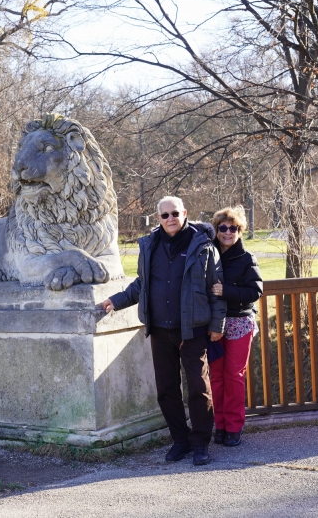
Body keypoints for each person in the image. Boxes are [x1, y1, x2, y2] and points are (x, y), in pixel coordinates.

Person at [101, 196, 226, 466]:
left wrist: (217, 326)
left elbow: (216, 288)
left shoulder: (203, 245)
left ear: (185, 214)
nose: (170, 219)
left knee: (198, 388)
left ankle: (201, 443)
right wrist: (116, 300)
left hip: (192, 330)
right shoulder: (150, 246)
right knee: (166, 390)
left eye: (174, 213)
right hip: (160, 330)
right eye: (164, 215)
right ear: (157, 218)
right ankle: (180, 440)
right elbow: (141, 285)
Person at [209, 206, 263, 447]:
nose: (228, 232)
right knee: (216, 377)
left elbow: (255, 290)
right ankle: (218, 425)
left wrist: (226, 291)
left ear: (239, 231)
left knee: (234, 376)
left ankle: (233, 427)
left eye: (233, 228)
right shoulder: (209, 254)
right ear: (217, 230)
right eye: (223, 228)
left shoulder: (246, 258)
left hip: (239, 322)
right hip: (213, 323)